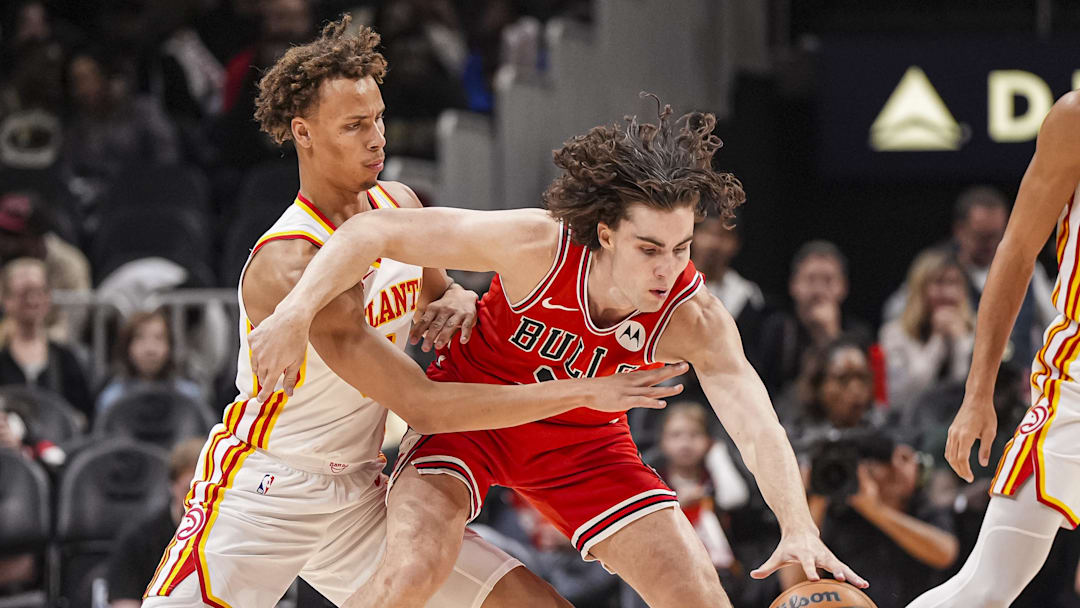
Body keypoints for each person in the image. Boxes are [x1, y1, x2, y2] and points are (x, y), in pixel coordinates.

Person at [141, 17, 682, 608]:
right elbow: (423, 405)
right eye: (354, 126)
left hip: (359, 489)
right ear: (304, 133)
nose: (377, 138)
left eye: (376, 118)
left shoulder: (397, 205)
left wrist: (456, 298)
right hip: (268, 490)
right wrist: (583, 392)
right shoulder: (290, 264)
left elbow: (441, 292)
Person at [249, 99, 867, 608]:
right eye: (649, 248)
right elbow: (369, 231)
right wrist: (297, 311)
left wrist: (797, 525)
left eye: (682, 247)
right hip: (473, 420)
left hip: (585, 448)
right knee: (413, 571)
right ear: (605, 234)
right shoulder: (538, 245)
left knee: (701, 598)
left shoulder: (692, 314)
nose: (669, 268)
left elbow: (757, 424)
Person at [907, 92, 1080, 607]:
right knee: (986, 588)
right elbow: (1017, 249)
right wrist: (977, 394)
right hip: (1076, 388)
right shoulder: (1074, 119)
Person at [798, 432, 958, 606]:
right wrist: (816, 494)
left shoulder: (924, 506)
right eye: (885, 463)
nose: (896, 468)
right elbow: (794, 585)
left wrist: (876, 512)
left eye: (904, 458)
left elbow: (945, 553)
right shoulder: (838, 514)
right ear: (861, 470)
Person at [753, 240, 872, 397]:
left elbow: (860, 394)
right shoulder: (775, 330)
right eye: (810, 279)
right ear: (793, 285)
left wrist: (831, 334)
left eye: (828, 280)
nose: (818, 290)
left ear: (843, 287)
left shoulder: (859, 336)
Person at [107, 438, 205, 608]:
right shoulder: (138, 537)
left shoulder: (231, 536)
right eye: (189, 490)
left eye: (206, 492)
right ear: (172, 485)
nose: (195, 501)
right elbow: (125, 602)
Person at [880, 249, 974, 413]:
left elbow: (970, 390)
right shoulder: (894, 334)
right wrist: (937, 340)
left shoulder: (975, 330)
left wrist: (960, 342)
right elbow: (902, 395)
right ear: (920, 289)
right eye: (939, 283)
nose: (948, 293)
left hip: (959, 422)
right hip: (908, 426)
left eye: (954, 283)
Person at [0, 258, 92, 419]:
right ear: (6, 299)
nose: (32, 300)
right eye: (24, 294)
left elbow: (84, 413)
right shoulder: (3, 354)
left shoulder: (65, 357)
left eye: (39, 292)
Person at [96, 309, 203, 416]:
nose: (150, 349)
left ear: (170, 346)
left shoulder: (190, 397)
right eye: (140, 338)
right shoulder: (112, 400)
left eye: (159, 338)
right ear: (127, 346)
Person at [691, 212, 765, 350]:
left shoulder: (748, 296)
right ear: (692, 236)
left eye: (724, 235)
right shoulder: (668, 284)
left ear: (736, 243)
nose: (714, 243)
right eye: (707, 232)